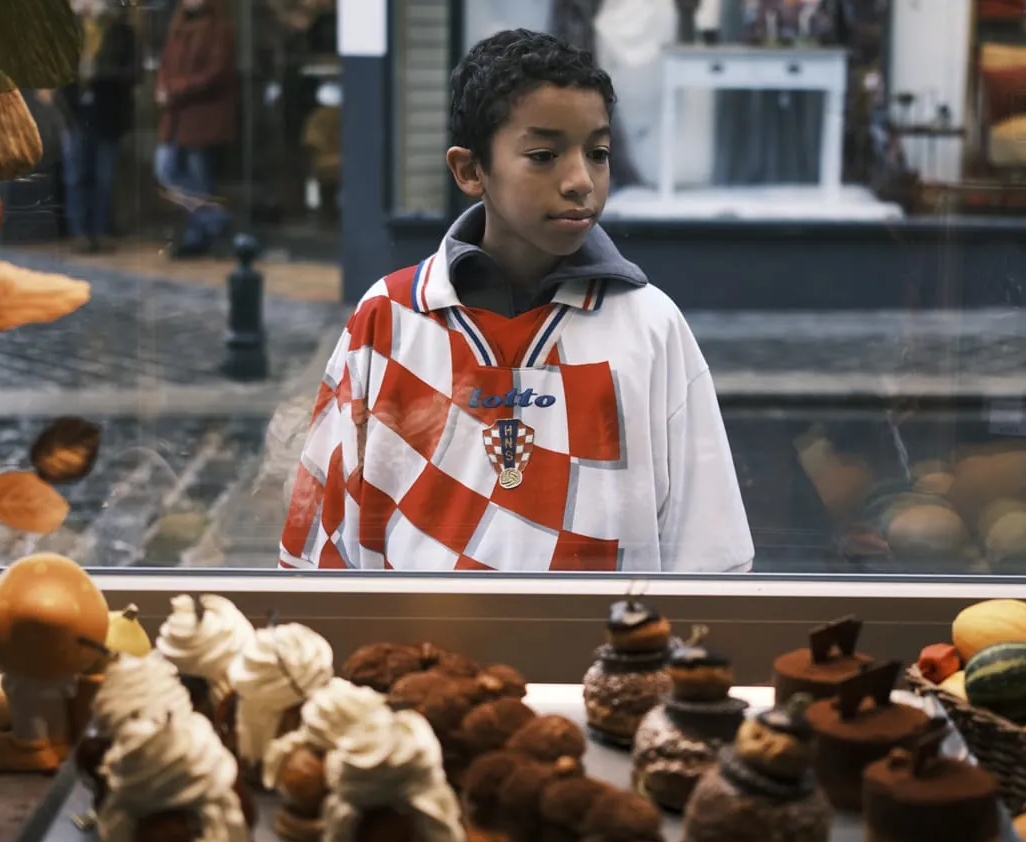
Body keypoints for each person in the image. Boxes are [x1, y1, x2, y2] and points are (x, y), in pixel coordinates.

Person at [278, 29, 754, 573]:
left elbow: (708, 554)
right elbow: (325, 546)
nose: (581, 181)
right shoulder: (391, 318)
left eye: (598, 153)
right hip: (418, 651)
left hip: (604, 652)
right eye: (544, 155)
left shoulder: (649, 326)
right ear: (469, 170)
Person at [156, 0, 238, 256]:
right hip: (177, 114)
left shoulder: (219, 30)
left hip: (201, 115)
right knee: (167, 170)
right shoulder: (180, 26)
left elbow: (216, 72)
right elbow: (167, 62)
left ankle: (199, 235)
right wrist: (164, 87)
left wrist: (176, 88)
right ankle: (216, 222)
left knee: (198, 178)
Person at [62, 0, 138, 252]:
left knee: (104, 176)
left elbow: (131, 73)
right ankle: (80, 231)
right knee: (76, 174)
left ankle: (101, 230)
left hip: (108, 112)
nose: (80, 0)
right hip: (76, 113)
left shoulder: (121, 32)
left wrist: (100, 75)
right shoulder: (72, 30)